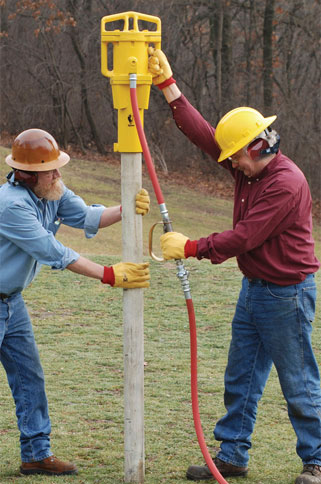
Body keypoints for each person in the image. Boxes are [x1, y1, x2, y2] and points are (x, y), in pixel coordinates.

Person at [148, 48, 321, 484]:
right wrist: (170, 89)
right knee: (241, 375)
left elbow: (244, 238)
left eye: (235, 156)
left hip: (287, 294)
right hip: (256, 290)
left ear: (258, 145)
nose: (229, 163)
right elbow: (207, 136)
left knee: (298, 382)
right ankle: (232, 454)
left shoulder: (285, 183)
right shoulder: (250, 167)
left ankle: (316, 461)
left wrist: (190, 246)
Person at [0, 128, 150, 476]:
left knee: (28, 377)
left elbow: (86, 216)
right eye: (51, 169)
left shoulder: (51, 192)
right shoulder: (11, 205)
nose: (58, 174)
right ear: (27, 174)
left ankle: (36, 454)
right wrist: (109, 274)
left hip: (12, 302)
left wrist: (127, 208)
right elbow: (55, 252)